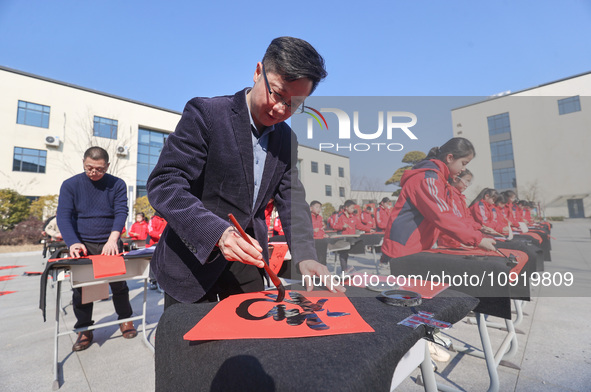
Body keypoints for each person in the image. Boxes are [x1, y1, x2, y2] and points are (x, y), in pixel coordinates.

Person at [146, 37, 343, 308]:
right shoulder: (208, 114)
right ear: (258, 71)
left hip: (247, 261)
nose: (280, 109)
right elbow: (165, 184)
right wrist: (218, 234)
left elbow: (292, 199)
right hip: (192, 257)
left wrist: (306, 256)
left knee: (250, 340)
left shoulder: (286, 140)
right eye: (276, 94)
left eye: (294, 105)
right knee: (192, 346)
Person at [56, 146, 136, 352]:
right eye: (89, 167)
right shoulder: (70, 185)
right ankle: (84, 328)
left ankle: (125, 319)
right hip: (83, 242)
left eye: (99, 169)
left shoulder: (117, 184)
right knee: (82, 288)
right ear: (83, 162)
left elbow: (121, 212)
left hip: (109, 241)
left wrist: (113, 239)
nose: (94, 172)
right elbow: (63, 216)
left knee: (118, 284)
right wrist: (73, 242)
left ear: (107, 166)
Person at [381, 137, 497, 263]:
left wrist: (477, 234)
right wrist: (477, 239)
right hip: (403, 249)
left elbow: (452, 215)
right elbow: (442, 216)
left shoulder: (439, 180)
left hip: (416, 247)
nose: (463, 169)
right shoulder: (427, 179)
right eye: (463, 163)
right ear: (450, 158)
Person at [331, 199, 373, 273]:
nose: (353, 209)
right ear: (346, 207)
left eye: (354, 208)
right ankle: (344, 270)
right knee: (343, 254)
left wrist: (369, 229)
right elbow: (334, 226)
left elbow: (360, 226)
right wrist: (342, 226)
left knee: (346, 254)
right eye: (352, 208)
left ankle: (345, 269)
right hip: (342, 238)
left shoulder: (354, 217)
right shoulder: (340, 216)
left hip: (350, 238)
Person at [309, 200, 328, 265]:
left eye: (320, 207)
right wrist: (313, 230)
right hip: (313, 240)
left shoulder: (320, 217)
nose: (319, 209)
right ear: (311, 208)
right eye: (317, 207)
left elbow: (321, 229)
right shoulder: (308, 217)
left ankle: (323, 268)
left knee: (323, 256)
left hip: (320, 239)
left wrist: (324, 234)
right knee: (315, 257)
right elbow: (304, 228)